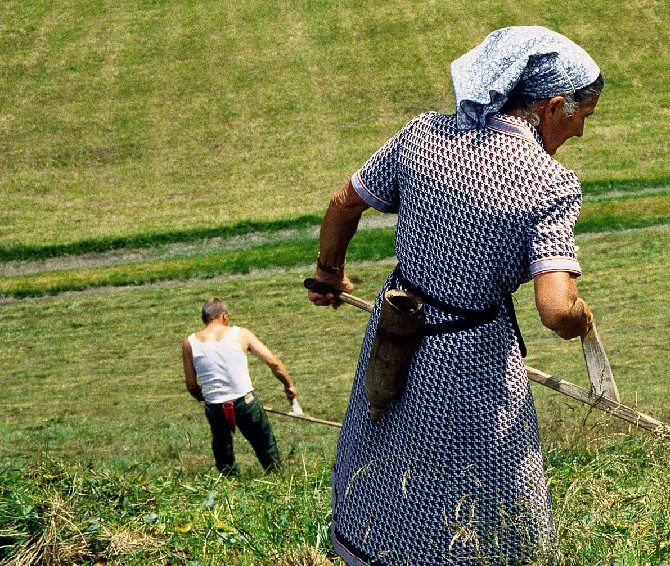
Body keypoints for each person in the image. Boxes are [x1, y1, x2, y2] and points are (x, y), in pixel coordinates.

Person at [306, 26, 600, 565]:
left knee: (387, 458)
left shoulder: (422, 137)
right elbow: (555, 308)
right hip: (472, 355)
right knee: (483, 485)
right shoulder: (549, 182)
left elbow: (344, 202)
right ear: (554, 106)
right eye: (583, 117)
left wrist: (329, 272)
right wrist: (580, 320)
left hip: (396, 327)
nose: (580, 133)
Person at [182, 298, 298, 476]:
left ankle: (230, 486)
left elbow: (191, 385)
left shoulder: (190, 343)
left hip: (214, 405)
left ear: (204, 319)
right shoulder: (240, 334)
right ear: (224, 316)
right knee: (264, 443)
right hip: (245, 402)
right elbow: (273, 362)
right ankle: (277, 478)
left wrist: (204, 397)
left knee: (222, 448)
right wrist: (288, 386)